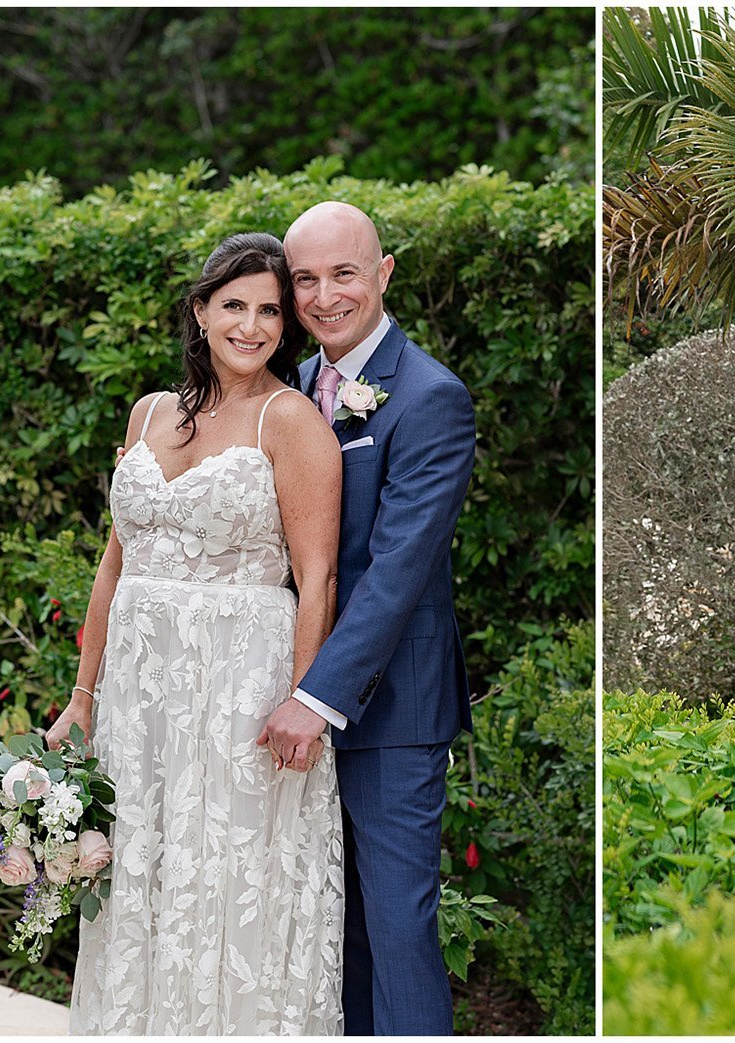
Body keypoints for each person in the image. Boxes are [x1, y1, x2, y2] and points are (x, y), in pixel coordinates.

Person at [49, 232, 346, 1034]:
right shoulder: (148, 411)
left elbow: (316, 577)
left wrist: (304, 701)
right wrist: (83, 695)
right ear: (200, 310)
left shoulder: (291, 420)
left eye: (270, 312)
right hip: (141, 695)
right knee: (142, 866)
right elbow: (116, 564)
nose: (252, 326)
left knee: (227, 874)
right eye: (235, 306)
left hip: (239, 686)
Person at [262, 200, 478, 1036]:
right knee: (331, 931)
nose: (323, 296)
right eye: (305, 279)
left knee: (397, 929)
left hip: (388, 711)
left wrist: (314, 697)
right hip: (289, 695)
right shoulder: (292, 394)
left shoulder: (430, 397)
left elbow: (394, 574)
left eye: (343, 273)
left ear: (383, 273)